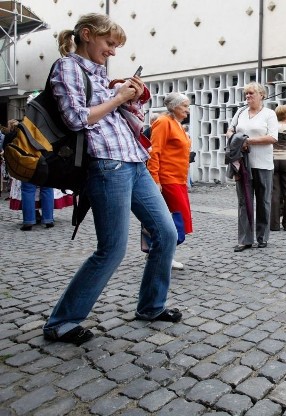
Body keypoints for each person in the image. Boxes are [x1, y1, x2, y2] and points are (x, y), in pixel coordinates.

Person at [42, 13, 182, 346]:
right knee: (112, 249)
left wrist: (129, 97)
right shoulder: (68, 67)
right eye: (110, 44)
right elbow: (76, 119)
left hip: (134, 161)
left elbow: (117, 118)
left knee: (166, 232)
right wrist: (118, 98)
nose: (113, 51)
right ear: (87, 35)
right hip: (106, 165)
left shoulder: (100, 73)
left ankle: (151, 306)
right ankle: (61, 321)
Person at [226, 82, 278, 251]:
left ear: (261, 95)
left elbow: (272, 137)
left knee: (263, 201)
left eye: (251, 93)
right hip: (243, 164)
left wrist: (247, 141)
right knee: (243, 202)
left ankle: (262, 237)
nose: (248, 96)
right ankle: (245, 239)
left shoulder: (269, 114)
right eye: (246, 94)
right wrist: (236, 140)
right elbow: (230, 131)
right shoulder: (240, 112)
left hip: (263, 163)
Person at [147, 92, 193, 270]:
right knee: (174, 219)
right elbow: (154, 151)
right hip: (167, 179)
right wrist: (155, 179)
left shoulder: (177, 124)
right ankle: (164, 254)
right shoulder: (163, 122)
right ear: (174, 106)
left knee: (177, 218)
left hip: (178, 178)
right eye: (185, 106)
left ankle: (159, 251)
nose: (188, 110)